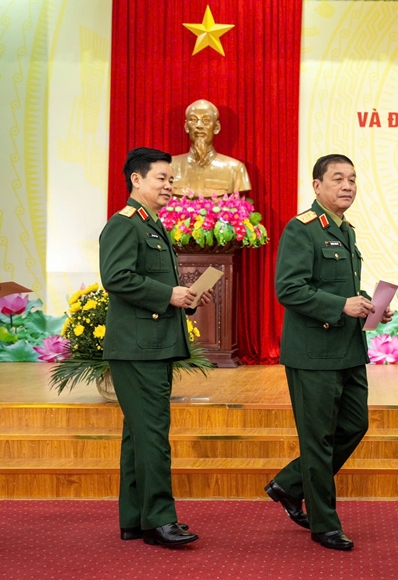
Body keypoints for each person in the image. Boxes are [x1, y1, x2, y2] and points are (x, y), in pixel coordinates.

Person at [264, 154, 392, 551]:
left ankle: (289, 483)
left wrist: (369, 304)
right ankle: (324, 524)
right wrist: (341, 306)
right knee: (317, 438)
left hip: (348, 349)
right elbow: (289, 289)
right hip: (313, 352)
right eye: (338, 178)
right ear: (317, 186)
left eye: (352, 179)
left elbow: (341, 288)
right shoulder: (301, 229)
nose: (348, 185)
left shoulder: (346, 230)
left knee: (354, 425)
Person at [99, 147, 211, 547]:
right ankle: (162, 519)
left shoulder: (152, 224)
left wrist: (184, 297)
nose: (169, 185)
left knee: (139, 435)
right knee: (153, 435)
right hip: (138, 347)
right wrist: (168, 294)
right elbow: (116, 277)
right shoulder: (124, 224)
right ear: (136, 179)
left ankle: (135, 518)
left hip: (151, 345)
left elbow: (150, 282)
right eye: (161, 178)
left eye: (171, 179)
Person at [171, 99, 252, 196]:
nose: (199, 126)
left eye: (206, 120)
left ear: (216, 127)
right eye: (193, 120)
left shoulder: (235, 169)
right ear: (186, 127)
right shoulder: (169, 166)